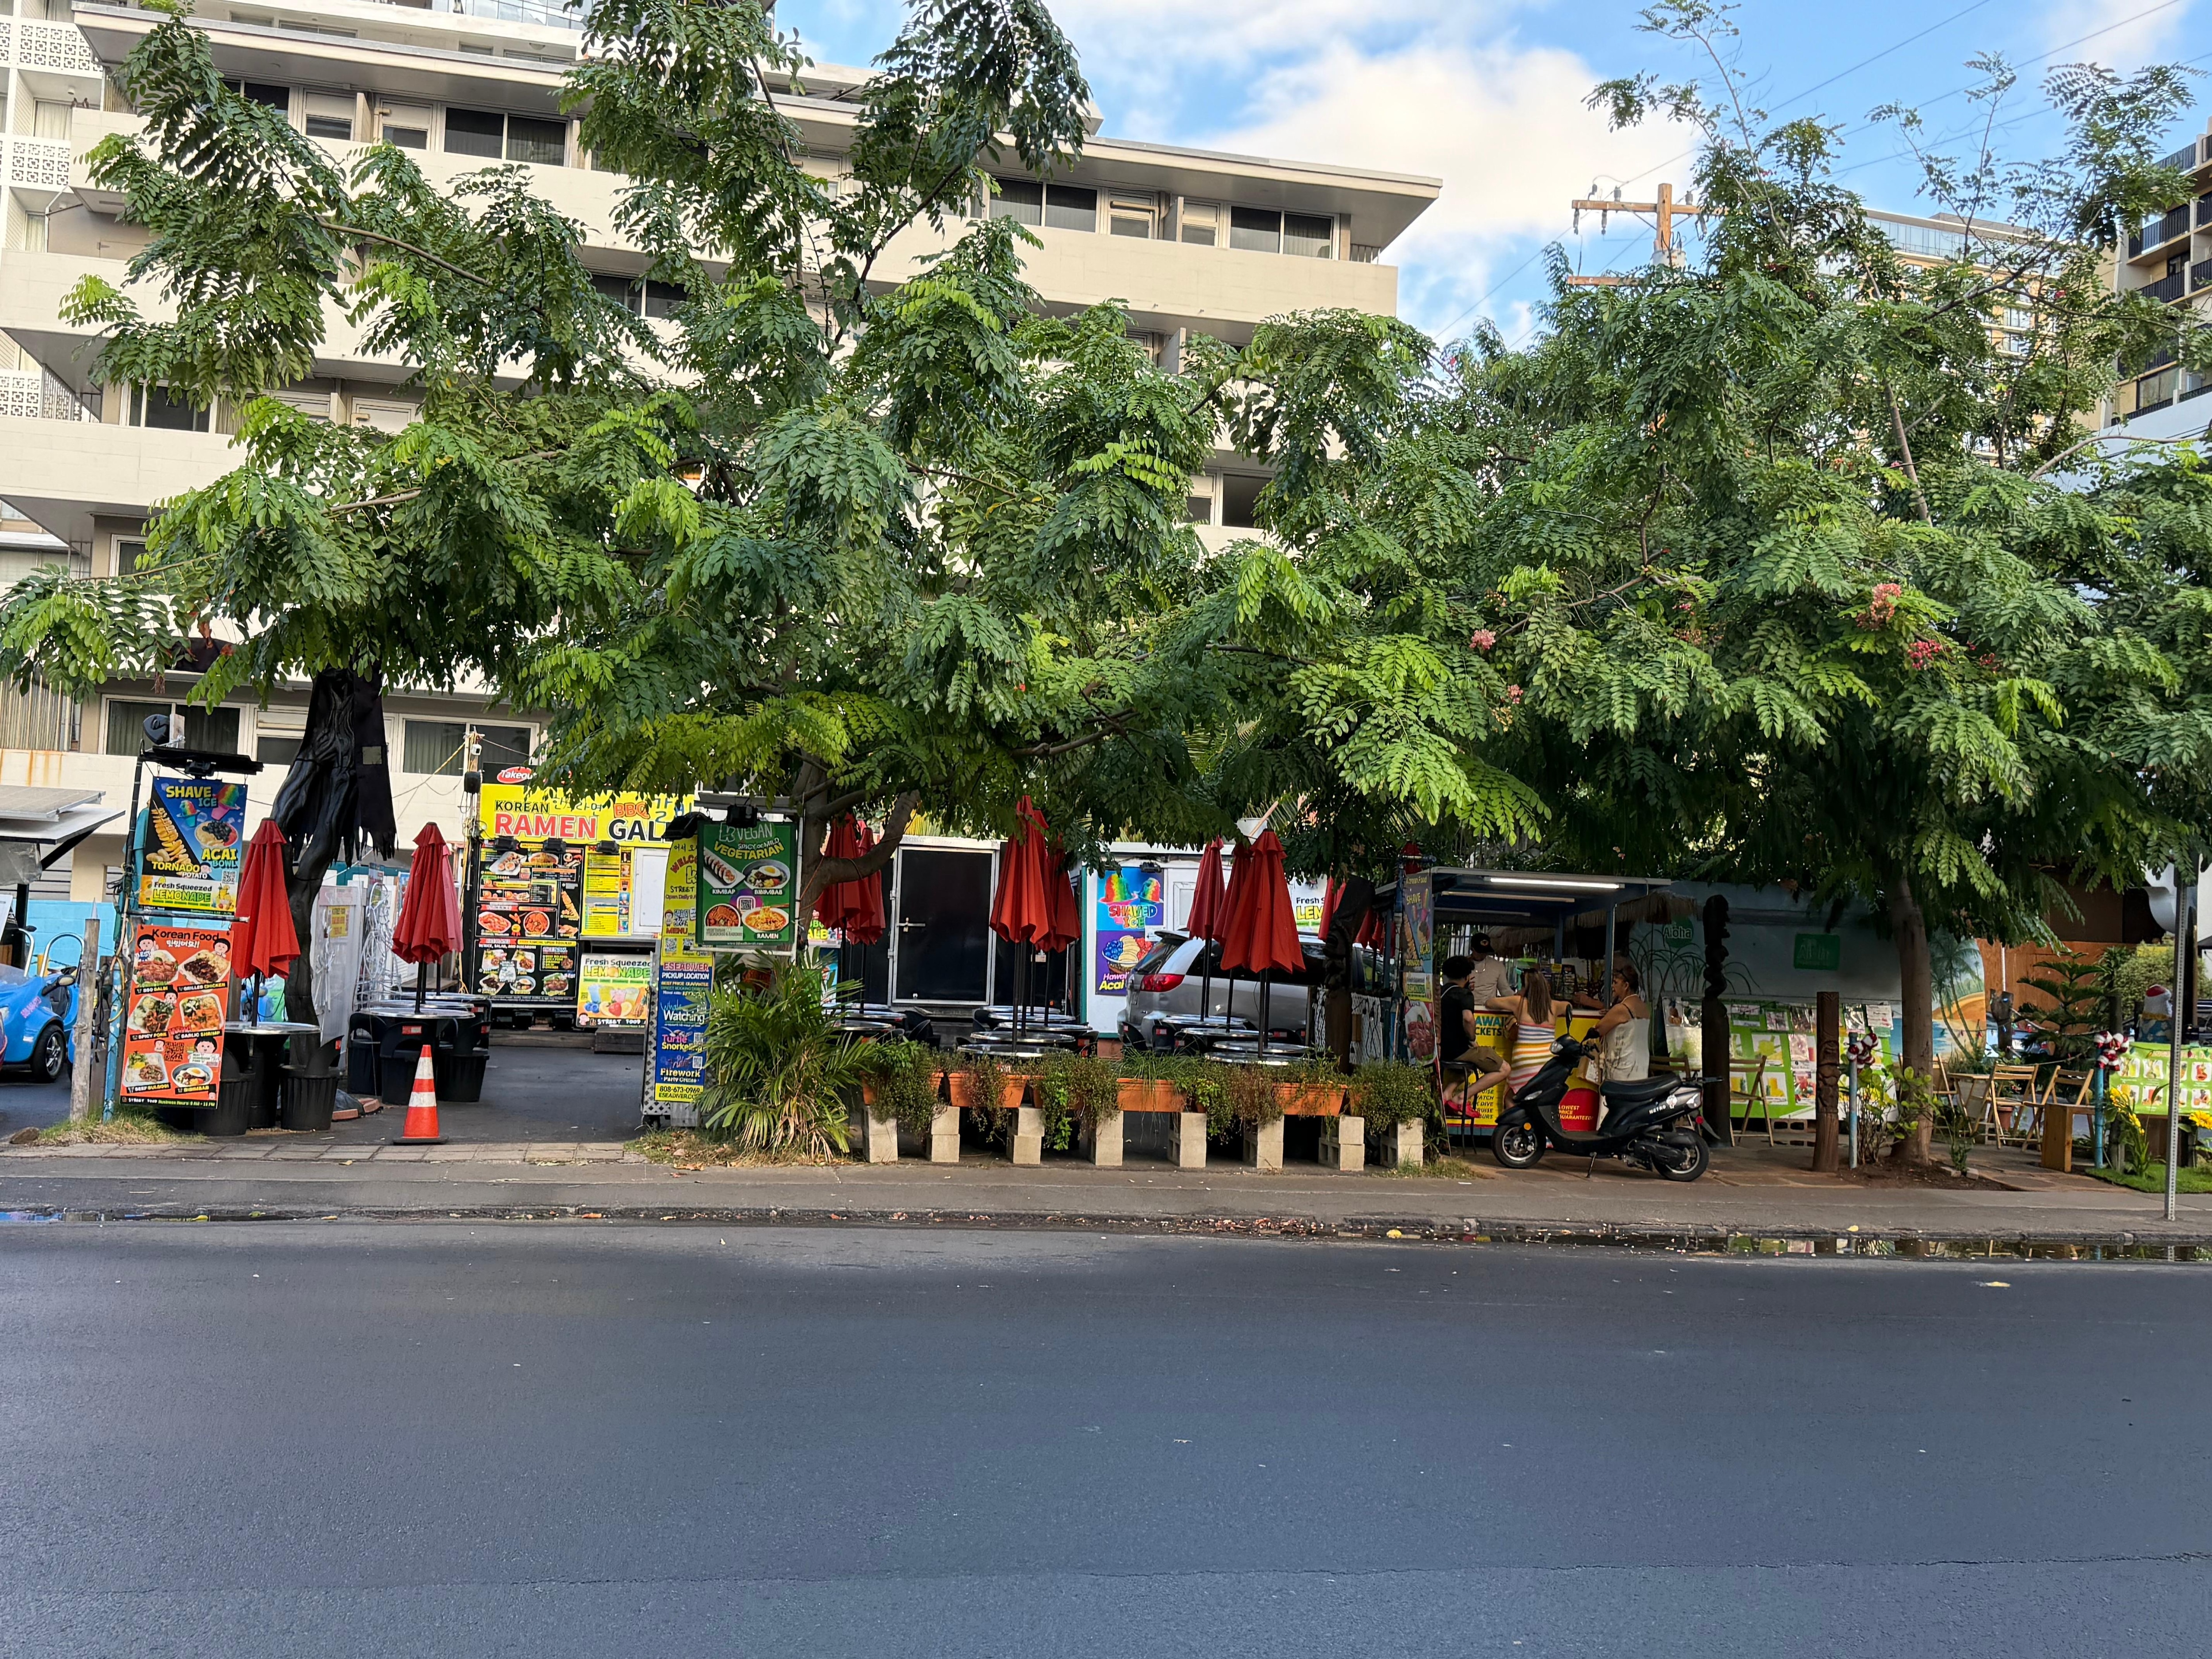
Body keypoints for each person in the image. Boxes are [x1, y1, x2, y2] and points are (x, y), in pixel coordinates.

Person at [1436, 955, 1509, 1105]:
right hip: (1460, 1051)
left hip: (1442, 1051)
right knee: (1504, 1069)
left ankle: (1447, 1094)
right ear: (1467, 976)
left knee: (1471, 1065)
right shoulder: (1465, 995)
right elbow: (1468, 1018)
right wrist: (1472, 1039)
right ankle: (1462, 1098)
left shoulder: (1440, 994)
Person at [1488, 970, 1563, 1098]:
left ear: (1526, 987)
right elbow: (1569, 1007)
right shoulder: (1555, 1006)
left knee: (1511, 1097)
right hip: (1548, 1061)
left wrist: (1518, 996)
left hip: (1524, 1060)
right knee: (1540, 1098)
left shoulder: (1519, 1003)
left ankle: (1514, 1117)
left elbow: (1490, 1002)